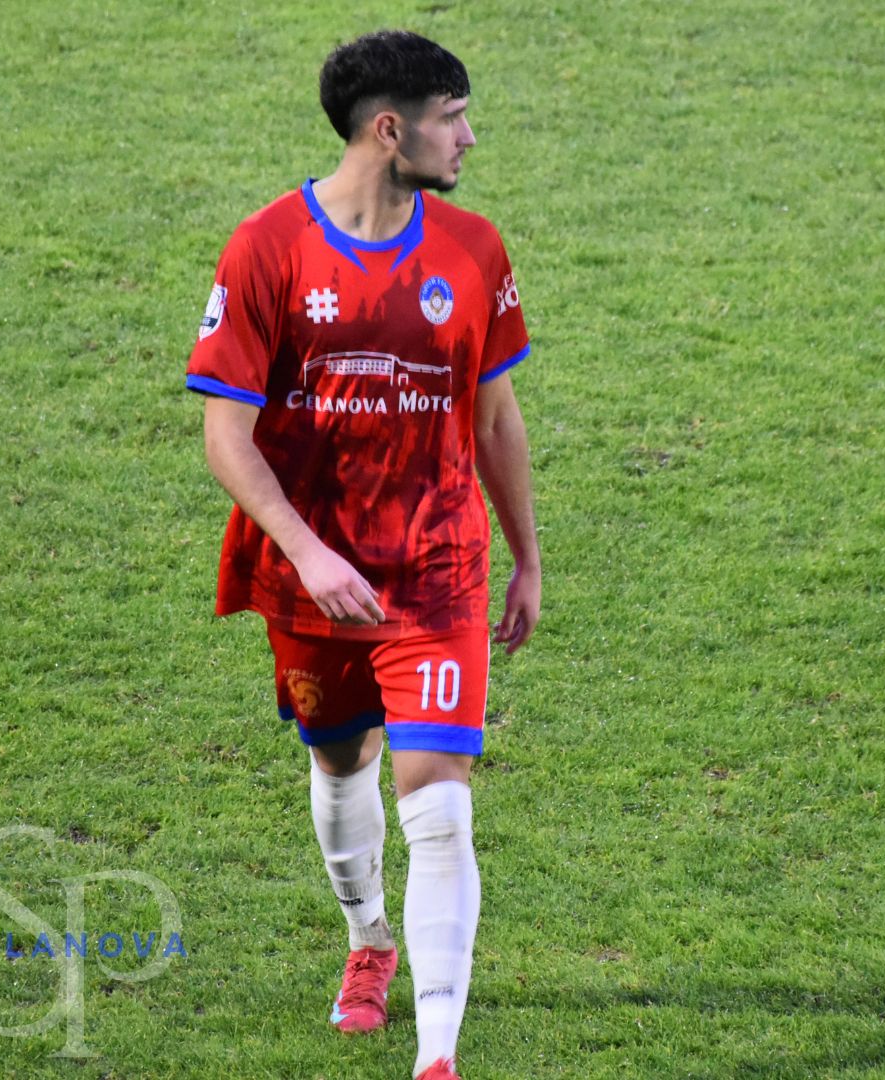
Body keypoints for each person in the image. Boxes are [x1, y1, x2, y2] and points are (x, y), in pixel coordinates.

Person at [185, 29, 540, 1080]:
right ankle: (368, 943)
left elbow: (496, 419)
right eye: (453, 116)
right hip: (314, 575)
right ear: (391, 130)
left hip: (437, 564)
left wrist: (527, 555)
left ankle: (438, 1056)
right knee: (341, 758)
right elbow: (225, 434)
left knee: (438, 802)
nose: (470, 137)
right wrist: (306, 551)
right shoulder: (267, 249)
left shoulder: (474, 252)